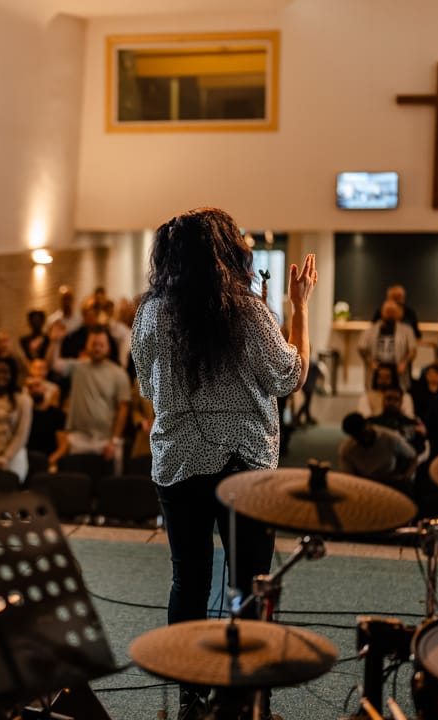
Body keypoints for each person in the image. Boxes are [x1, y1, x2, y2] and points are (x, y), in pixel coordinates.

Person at [131, 207, 316, 718]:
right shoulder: (247, 312)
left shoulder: (148, 315)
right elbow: (289, 376)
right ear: (226, 252)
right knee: (247, 582)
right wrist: (298, 308)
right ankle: (244, 701)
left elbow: (148, 389)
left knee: (187, 579)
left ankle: (189, 698)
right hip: (245, 467)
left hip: (178, 462)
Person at [48, 326, 131, 474]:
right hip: (79, 438)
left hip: (107, 441)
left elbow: (123, 408)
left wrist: (115, 441)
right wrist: (55, 341)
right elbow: (53, 364)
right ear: (87, 345)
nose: (97, 348)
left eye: (101, 345)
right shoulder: (77, 367)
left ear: (108, 348)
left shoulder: (119, 374)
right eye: (93, 344)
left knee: (110, 485)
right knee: (76, 484)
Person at [338, 412, 419, 494]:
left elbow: (413, 456)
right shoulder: (347, 449)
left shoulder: (390, 437)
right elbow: (348, 477)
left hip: (392, 479)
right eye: (358, 436)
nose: (364, 438)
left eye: (364, 433)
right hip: (366, 484)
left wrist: (407, 477)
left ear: (368, 424)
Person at [358, 299, 418, 390]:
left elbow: (413, 350)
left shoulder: (406, 331)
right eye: (387, 311)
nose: (390, 314)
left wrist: (404, 363)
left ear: (398, 312)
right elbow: (361, 348)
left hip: (397, 370)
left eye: (393, 311)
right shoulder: (370, 331)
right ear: (382, 312)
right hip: (377, 369)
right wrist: (371, 362)